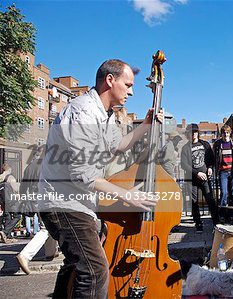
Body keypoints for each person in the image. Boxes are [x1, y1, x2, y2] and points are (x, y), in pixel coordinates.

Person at [38, 59, 160, 298]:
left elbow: (119, 146)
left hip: (77, 203)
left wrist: (145, 125)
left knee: (75, 266)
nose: (132, 91)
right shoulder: (83, 112)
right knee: (94, 270)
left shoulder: (105, 116)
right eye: (128, 85)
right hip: (63, 203)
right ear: (110, 80)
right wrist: (128, 196)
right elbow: (81, 174)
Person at [16, 147, 58, 275]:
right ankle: (25, 255)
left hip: (36, 200)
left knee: (50, 226)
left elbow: (23, 187)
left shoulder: (30, 167)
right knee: (47, 228)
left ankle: (50, 253)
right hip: (49, 199)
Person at [181, 123, 220, 233]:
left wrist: (210, 168)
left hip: (205, 178)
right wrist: (196, 173)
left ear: (197, 133)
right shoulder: (185, 148)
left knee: (210, 200)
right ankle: (198, 223)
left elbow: (211, 159)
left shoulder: (205, 144)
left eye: (195, 132)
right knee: (194, 202)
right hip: (192, 179)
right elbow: (184, 164)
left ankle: (216, 222)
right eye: (191, 132)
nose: (193, 134)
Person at [213, 125, 233, 220]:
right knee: (224, 192)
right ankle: (222, 213)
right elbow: (215, 157)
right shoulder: (218, 144)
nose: (225, 134)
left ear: (230, 133)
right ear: (221, 134)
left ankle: (232, 214)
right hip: (223, 171)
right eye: (223, 133)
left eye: (227, 132)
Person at [0, 163, 20, 243]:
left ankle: (7, 236)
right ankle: (5, 232)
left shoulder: (0, 177)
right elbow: (15, 190)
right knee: (17, 216)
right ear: (9, 169)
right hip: (11, 201)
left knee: (7, 217)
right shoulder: (10, 177)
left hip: (3, 200)